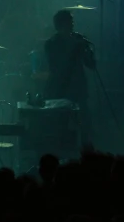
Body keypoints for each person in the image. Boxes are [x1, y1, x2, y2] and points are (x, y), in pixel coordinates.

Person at [43, 9, 96, 145]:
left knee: (85, 126)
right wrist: (74, 46)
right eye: (70, 22)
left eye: (72, 22)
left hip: (79, 92)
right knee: (61, 129)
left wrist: (87, 50)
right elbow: (57, 68)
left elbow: (90, 64)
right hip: (61, 92)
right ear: (61, 24)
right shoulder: (52, 43)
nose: (73, 25)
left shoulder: (77, 42)